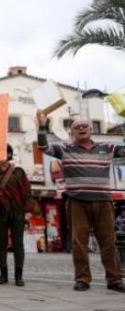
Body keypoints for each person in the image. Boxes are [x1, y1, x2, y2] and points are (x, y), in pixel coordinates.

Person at [36, 110, 125, 293]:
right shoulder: (65, 149)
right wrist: (42, 126)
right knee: (79, 243)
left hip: (103, 201)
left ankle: (115, 279)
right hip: (77, 202)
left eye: (85, 126)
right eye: (77, 127)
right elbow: (43, 148)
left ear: (91, 130)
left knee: (108, 242)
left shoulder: (107, 147)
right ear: (72, 133)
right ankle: (82, 279)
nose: (81, 129)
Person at [0, 144, 33, 286]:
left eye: (1, 153)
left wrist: (28, 211)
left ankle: (18, 276)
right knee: (1, 244)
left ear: (9, 155)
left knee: (18, 244)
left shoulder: (18, 172)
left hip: (17, 212)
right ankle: (3, 274)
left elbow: (27, 192)